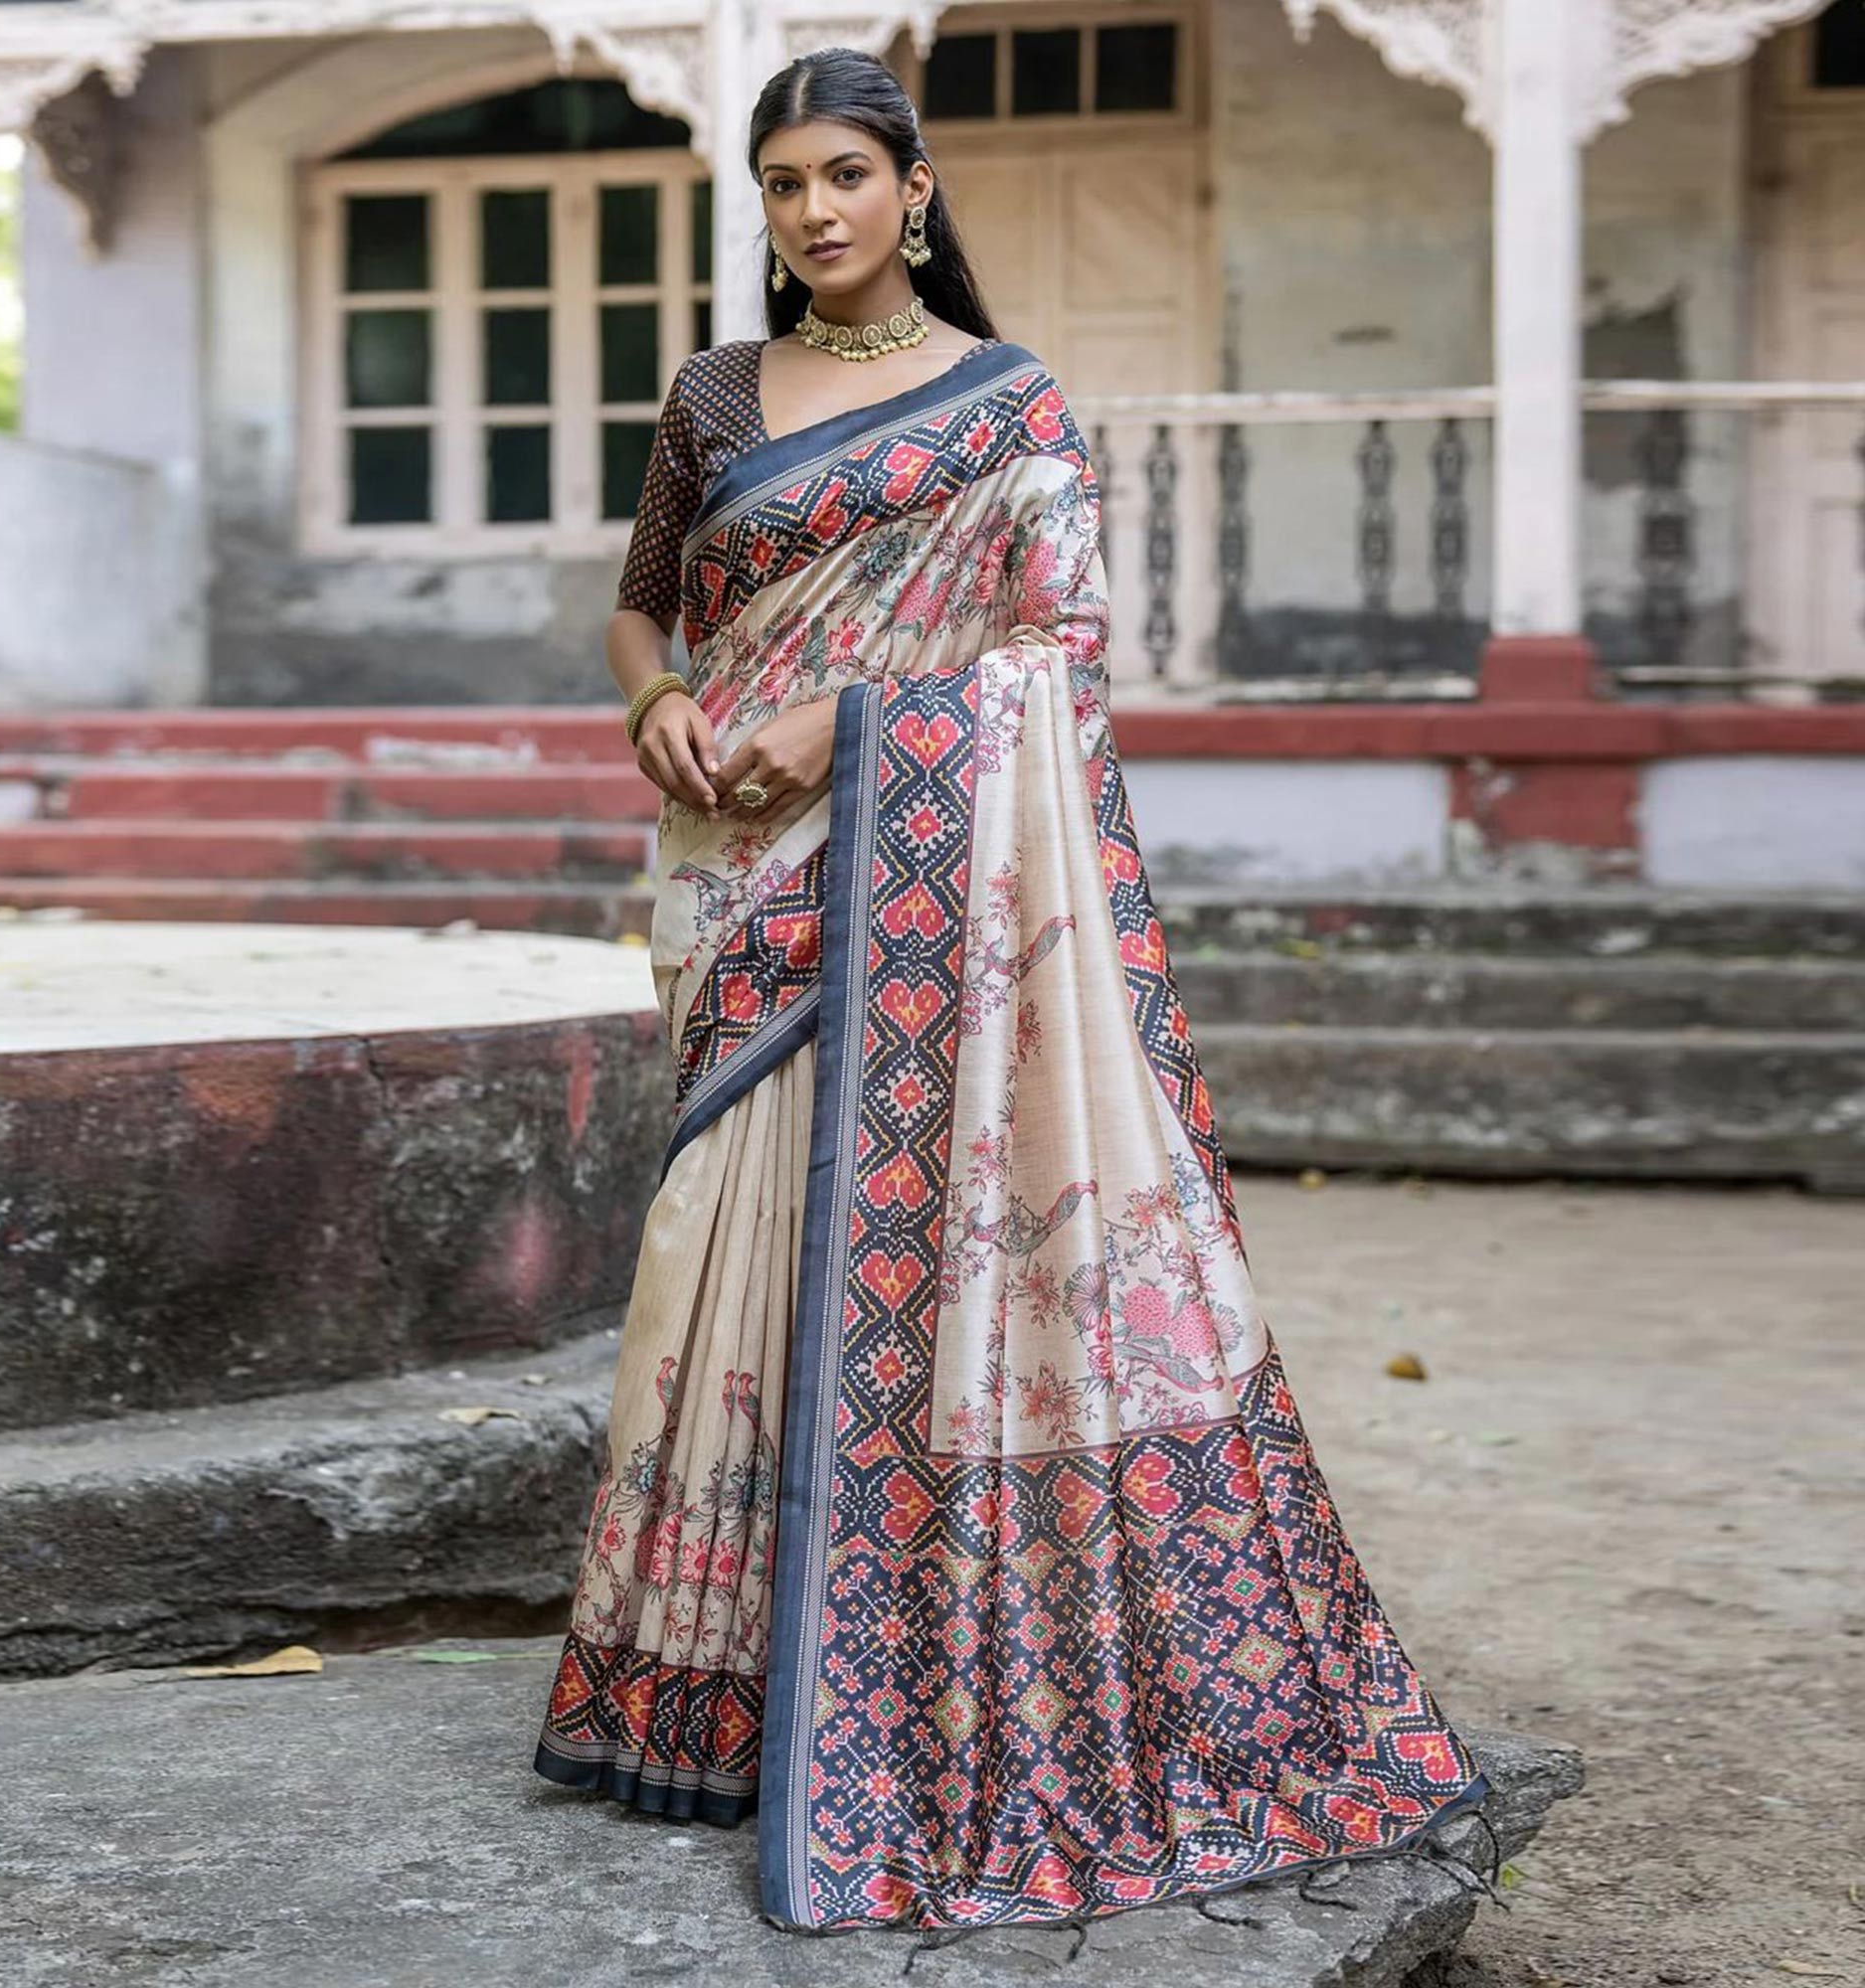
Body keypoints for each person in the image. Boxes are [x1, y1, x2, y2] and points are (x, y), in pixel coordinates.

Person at [533, 44, 1487, 1935]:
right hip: (744, 877)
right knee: (715, 1240)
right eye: (782, 183)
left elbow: (1057, 650)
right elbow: (648, 594)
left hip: (919, 872)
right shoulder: (718, 396)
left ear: (916, 186)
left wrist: (851, 718)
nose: (813, 213)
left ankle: (906, 1673)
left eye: (843, 177)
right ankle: (703, 1688)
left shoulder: (1009, 406)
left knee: (925, 1252)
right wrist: (656, 700)